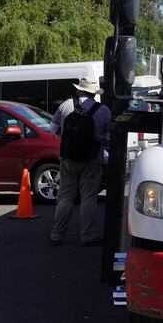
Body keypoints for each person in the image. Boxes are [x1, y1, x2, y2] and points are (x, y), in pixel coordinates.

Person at [48, 78, 111, 246]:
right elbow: (108, 138)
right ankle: (88, 235)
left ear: (79, 90)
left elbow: (52, 129)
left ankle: (57, 234)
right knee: (88, 198)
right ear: (94, 93)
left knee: (66, 196)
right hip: (92, 160)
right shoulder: (103, 110)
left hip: (67, 158)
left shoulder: (65, 105)